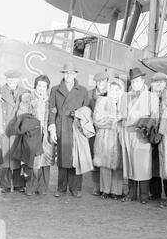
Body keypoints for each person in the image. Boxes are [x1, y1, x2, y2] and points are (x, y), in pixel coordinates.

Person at [48, 62, 90, 198]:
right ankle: (61, 188)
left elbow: (87, 110)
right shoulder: (55, 89)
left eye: (71, 73)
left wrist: (79, 117)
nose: (69, 75)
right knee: (62, 158)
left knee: (76, 157)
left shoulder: (83, 90)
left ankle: (76, 188)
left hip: (76, 127)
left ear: (76, 74)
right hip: (62, 126)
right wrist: (52, 127)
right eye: (66, 73)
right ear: (63, 74)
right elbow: (52, 110)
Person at [120, 67, 159, 204]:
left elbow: (155, 115)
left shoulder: (151, 96)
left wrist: (146, 125)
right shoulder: (126, 96)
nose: (135, 83)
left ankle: (144, 195)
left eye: (137, 81)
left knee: (143, 164)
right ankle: (131, 194)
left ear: (143, 80)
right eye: (133, 81)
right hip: (127, 133)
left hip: (142, 133)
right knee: (130, 163)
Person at [17, 75, 54, 196]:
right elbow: (21, 115)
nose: (41, 88)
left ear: (47, 87)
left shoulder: (50, 100)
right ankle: (30, 186)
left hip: (46, 135)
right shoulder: (28, 98)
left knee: (45, 161)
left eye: (44, 86)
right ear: (35, 86)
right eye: (39, 85)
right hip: (32, 135)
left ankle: (42, 187)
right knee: (31, 161)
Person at [93, 78, 125, 199]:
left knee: (118, 165)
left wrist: (122, 119)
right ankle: (105, 190)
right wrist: (113, 119)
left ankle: (117, 191)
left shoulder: (124, 103)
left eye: (117, 90)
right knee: (105, 164)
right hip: (105, 137)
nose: (114, 92)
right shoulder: (102, 101)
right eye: (112, 89)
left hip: (119, 137)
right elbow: (97, 120)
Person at [0, 69, 28, 193]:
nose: (11, 81)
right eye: (9, 79)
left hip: (18, 129)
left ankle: (18, 184)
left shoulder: (24, 92)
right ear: (6, 80)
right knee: (4, 157)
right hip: (4, 130)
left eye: (14, 79)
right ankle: (4, 185)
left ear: (18, 80)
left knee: (18, 158)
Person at [149, 72, 167, 201]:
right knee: (154, 163)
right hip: (151, 132)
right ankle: (155, 192)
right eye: (156, 82)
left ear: (166, 83)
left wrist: (162, 132)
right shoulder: (148, 96)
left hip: (166, 134)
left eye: (162, 82)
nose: (159, 84)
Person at [89, 71, 109, 196]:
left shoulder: (112, 93)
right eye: (98, 81)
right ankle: (97, 186)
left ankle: (106, 186)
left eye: (103, 81)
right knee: (94, 158)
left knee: (107, 158)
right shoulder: (89, 94)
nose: (100, 83)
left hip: (107, 131)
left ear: (107, 81)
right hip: (93, 131)